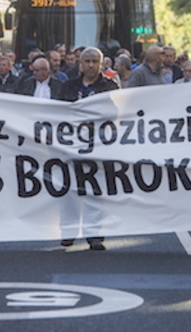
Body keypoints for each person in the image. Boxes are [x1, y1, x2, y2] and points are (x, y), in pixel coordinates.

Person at [61, 47, 119, 251]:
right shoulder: (67, 86)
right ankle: (69, 231)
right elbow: (57, 112)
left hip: (98, 147)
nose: (91, 65)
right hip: (71, 146)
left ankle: (94, 234)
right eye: (87, 61)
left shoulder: (109, 86)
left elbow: (114, 114)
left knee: (95, 191)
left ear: (101, 64)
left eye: (95, 61)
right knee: (69, 189)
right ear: (80, 64)